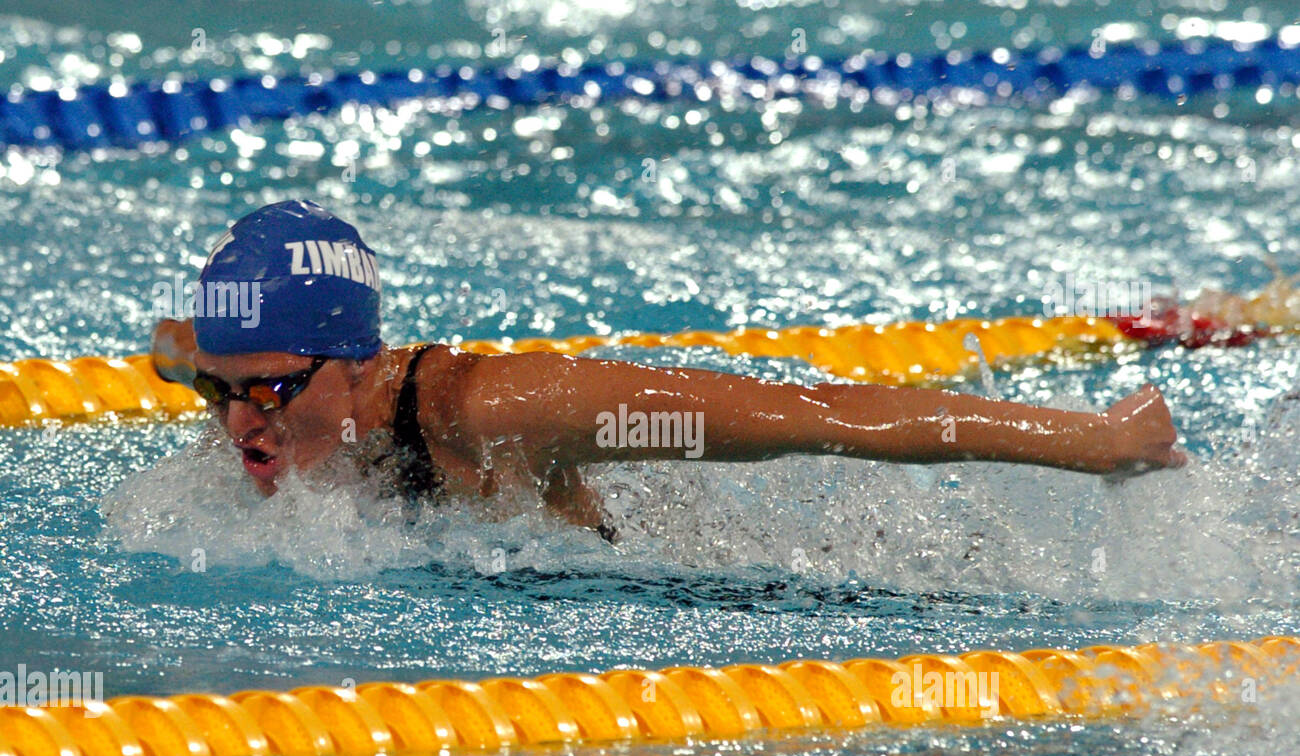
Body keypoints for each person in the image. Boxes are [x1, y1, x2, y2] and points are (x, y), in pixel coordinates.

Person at [152, 200, 1187, 542]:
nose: (241, 423)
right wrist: (204, 368)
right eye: (220, 387)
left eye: (275, 388)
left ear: (362, 358)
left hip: (682, 584)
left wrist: (1092, 441)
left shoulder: (501, 409)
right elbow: (178, 345)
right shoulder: (242, 371)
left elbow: (816, 413)